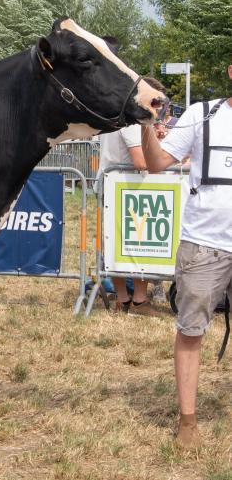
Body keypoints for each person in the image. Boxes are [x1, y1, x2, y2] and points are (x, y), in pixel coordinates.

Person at [141, 63, 232, 450]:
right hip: (204, 244)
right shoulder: (202, 114)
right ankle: (188, 421)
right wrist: (146, 124)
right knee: (191, 331)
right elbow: (157, 163)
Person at [97, 77, 167, 317]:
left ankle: (123, 299)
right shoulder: (133, 121)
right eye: (157, 103)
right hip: (127, 190)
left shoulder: (115, 115)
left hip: (112, 187)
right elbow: (140, 161)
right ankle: (138, 300)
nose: (158, 110)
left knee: (115, 245)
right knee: (138, 244)